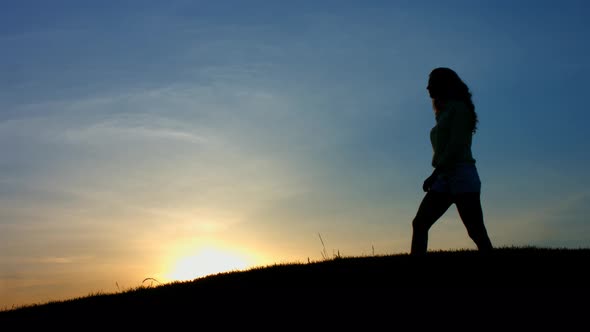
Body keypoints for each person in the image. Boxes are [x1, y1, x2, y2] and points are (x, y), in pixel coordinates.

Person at [410, 67, 493, 255]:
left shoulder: (460, 109)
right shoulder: (443, 113)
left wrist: (434, 175)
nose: (427, 87)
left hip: (462, 175)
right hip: (445, 176)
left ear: (443, 85)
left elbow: (455, 147)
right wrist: (439, 174)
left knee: (476, 231)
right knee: (420, 223)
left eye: (431, 83)